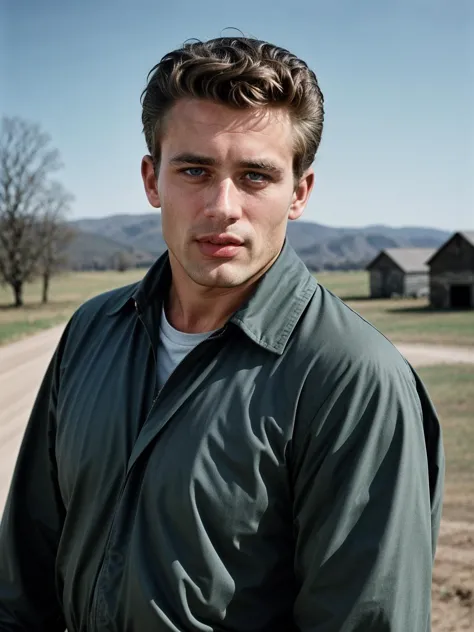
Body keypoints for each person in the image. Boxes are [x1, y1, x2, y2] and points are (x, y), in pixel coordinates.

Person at [0, 36, 444, 632]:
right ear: (153, 180)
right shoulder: (92, 331)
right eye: (194, 170)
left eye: (256, 175)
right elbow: (23, 583)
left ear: (299, 193)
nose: (222, 205)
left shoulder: (354, 379)